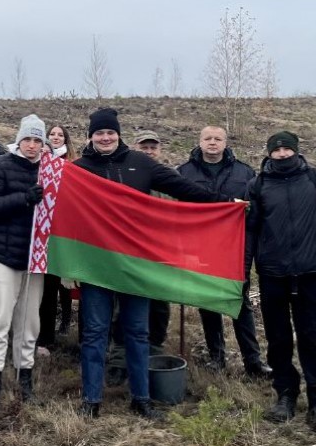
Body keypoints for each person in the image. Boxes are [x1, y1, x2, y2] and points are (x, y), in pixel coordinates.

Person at [72, 108, 230, 420]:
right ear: (90, 135)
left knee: (137, 332)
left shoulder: (140, 163)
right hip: (96, 266)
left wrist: (224, 204)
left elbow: (182, 188)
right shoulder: (78, 170)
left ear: (118, 134)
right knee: (95, 333)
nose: (105, 138)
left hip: (136, 264)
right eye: (99, 133)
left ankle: (141, 398)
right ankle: (91, 400)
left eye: (110, 132)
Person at [178, 126, 272, 378]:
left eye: (217, 139)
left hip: (235, 248)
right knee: (207, 303)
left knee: (239, 302)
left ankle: (253, 362)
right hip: (201, 248)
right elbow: (177, 212)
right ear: (199, 142)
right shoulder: (184, 172)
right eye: (207, 138)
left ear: (225, 143)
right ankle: (216, 357)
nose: (212, 143)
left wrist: (247, 219)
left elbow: (256, 211)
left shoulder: (244, 172)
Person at [0, 114, 46, 414]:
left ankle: (24, 379)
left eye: (37, 140)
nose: (32, 145)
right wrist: (24, 198)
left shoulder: (50, 171)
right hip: (3, 256)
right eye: (28, 139)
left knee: (29, 323)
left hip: (35, 258)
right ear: (19, 140)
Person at [245, 132, 316, 430]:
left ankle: (315, 401)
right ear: (269, 153)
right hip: (273, 274)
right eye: (277, 150)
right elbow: (250, 229)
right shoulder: (258, 185)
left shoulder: (313, 179)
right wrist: (243, 271)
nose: (283, 154)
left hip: (311, 274)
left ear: (297, 151)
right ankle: (285, 394)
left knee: (313, 338)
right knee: (278, 340)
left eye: (288, 148)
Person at [105, 130, 172, 386]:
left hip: (161, 255)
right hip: (128, 254)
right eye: (144, 147)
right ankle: (120, 356)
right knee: (123, 305)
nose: (149, 151)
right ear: (135, 148)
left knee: (159, 305)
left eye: (153, 147)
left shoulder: (169, 178)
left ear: (159, 150)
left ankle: (154, 349)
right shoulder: (126, 174)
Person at [36, 125, 76, 357]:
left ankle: (64, 325)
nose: (56, 138)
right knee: (45, 289)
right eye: (52, 135)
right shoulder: (37, 164)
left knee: (64, 284)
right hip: (42, 234)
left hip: (63, 233)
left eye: (61, 135)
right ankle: (43, 337)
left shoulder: (72, 165)